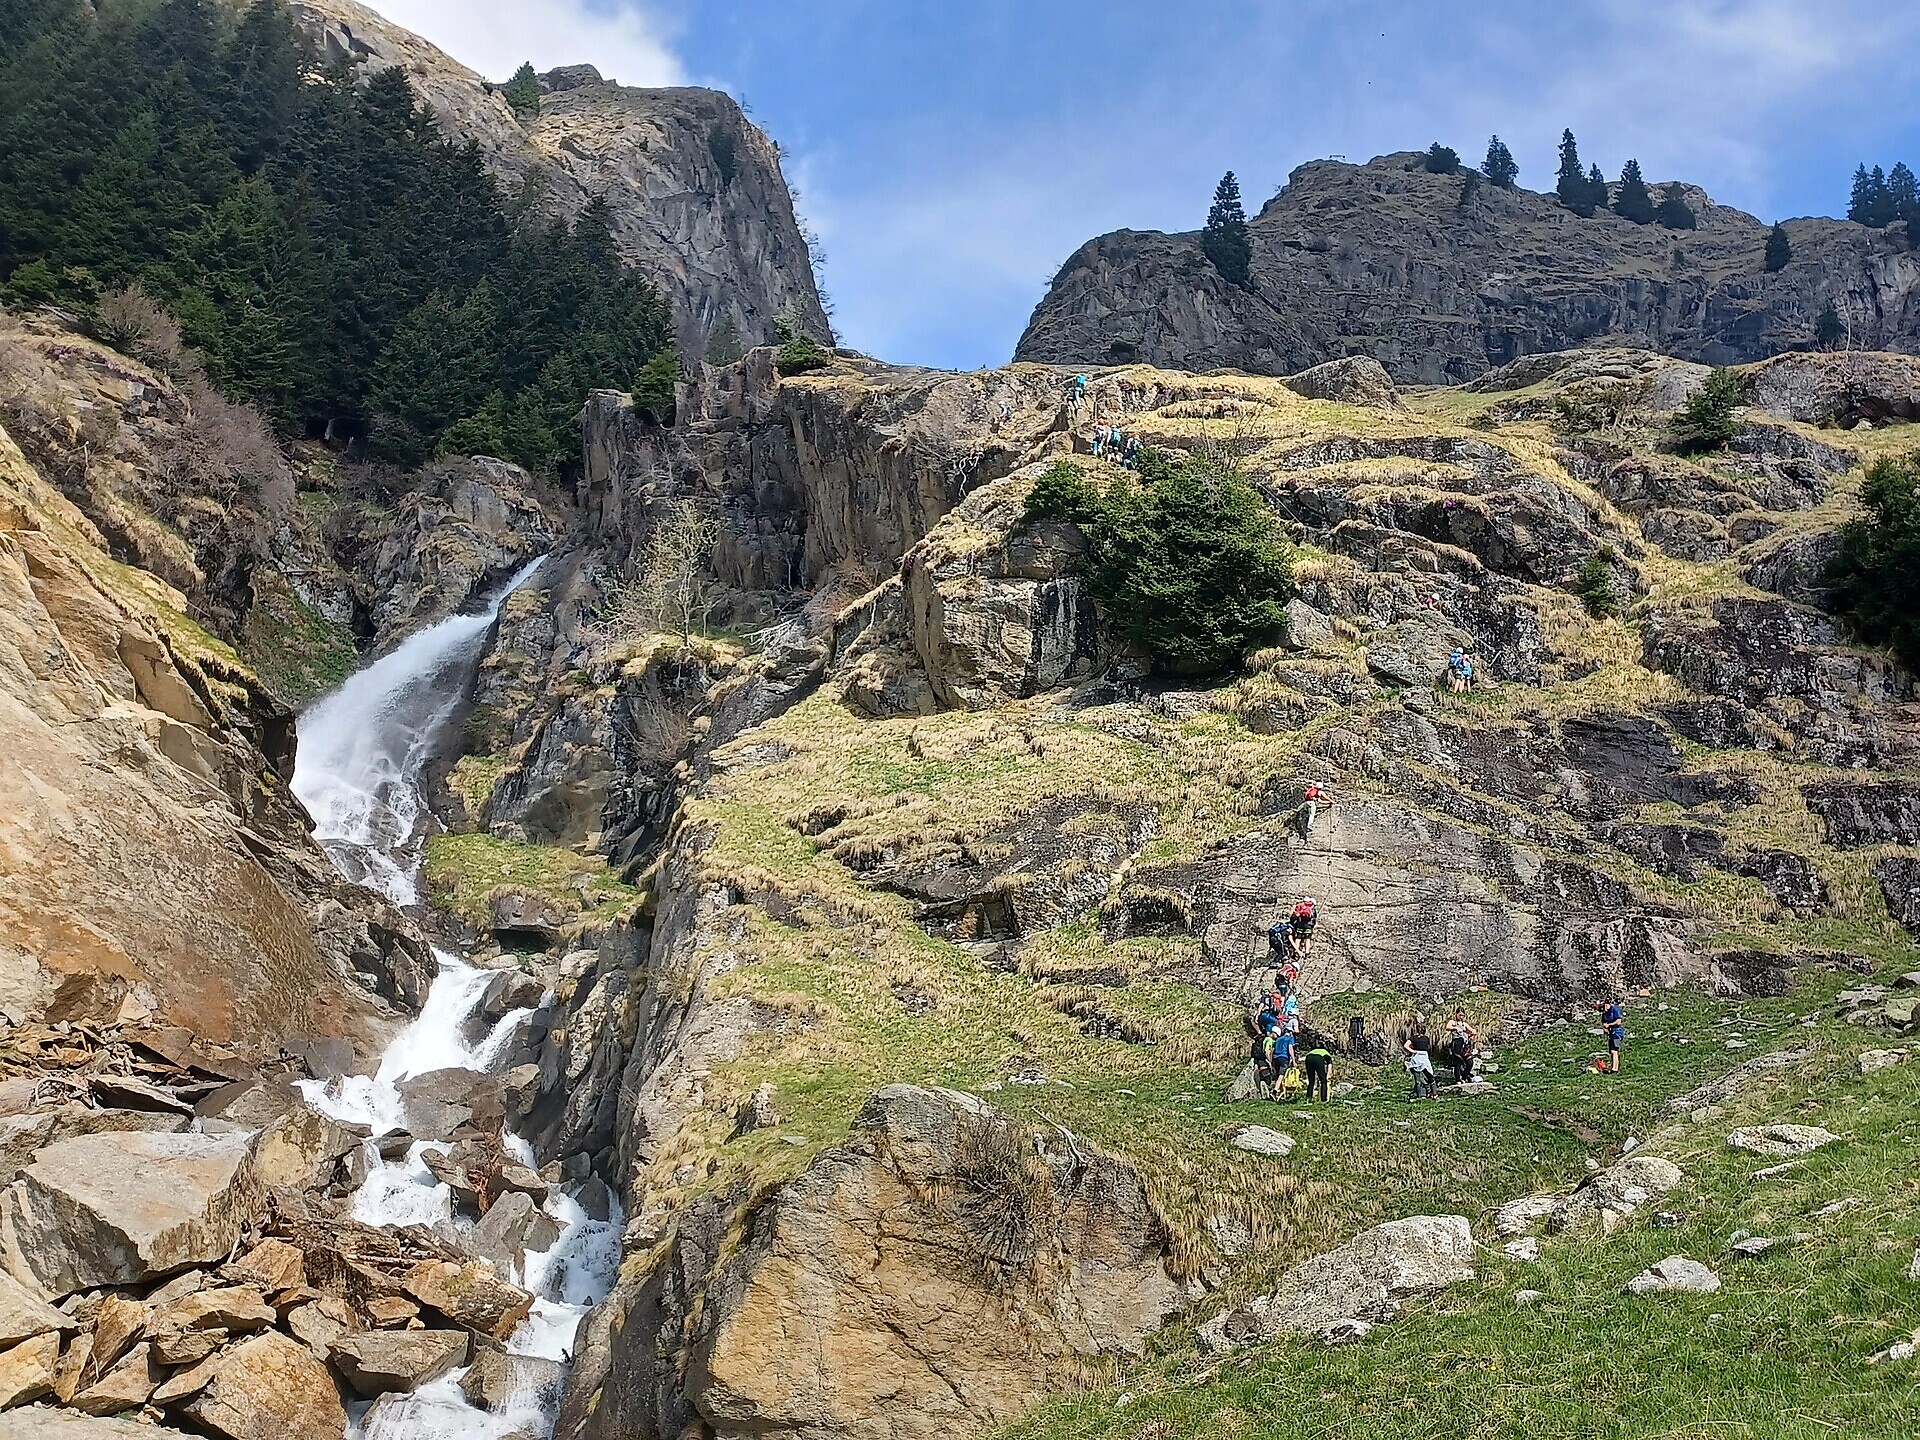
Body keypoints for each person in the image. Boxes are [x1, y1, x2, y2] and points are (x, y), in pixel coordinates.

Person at [1444, 1010, 1477, 1084]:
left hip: (1465, 1045)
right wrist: (1455, 1028)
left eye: (1463, 1015)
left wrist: (1472, 1033)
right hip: (1457, 1044)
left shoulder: (1464, 1024)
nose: (1461, 1017)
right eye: (1460, 1015)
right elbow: (1448, 1027)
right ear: (1456, 1014)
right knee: (1458, 1062)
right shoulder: (1452, 1022)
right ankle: (1458, 1079)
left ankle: (1464, 1077)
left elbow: (1472, 1030)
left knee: (1470, 1062)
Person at [1405, 1029, 1437, 1100]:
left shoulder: (1413, 1038)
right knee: (1430, 1076)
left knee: (1417, 1079)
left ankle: (1419, 1096)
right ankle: (1434, 1093)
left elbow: (1406, 1045)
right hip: (1424, 1058)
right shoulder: (1426, 1039)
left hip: (1417, 1057)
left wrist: (1412, 1051)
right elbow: (1428, 1048)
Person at [1599, 997, 1625, 1073]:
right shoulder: (1604, 1014)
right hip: (1611, 1034)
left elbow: (1618, 1021)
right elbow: (1603, 1024)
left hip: (1617, 1033)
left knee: (1614, 1050)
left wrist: (1609, 1025)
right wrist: (1605, 1029)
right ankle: (1613, 1067)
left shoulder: (1614, 1009)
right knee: (1611, 1051)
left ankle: (1615, 1069)